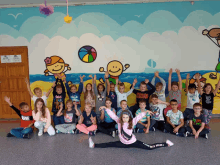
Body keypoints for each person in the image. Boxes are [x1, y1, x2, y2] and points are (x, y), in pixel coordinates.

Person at [88, 109, 174, 149]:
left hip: (133, 142)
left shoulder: (131, 122)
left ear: (129, 118)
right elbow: (113, 115)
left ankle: (166, 144)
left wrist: (145, 112)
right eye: (123, 117)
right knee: (109, 144)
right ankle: (93, 145)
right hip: (122, 143)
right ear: (122, 117)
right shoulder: (119, 121)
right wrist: (105, 109)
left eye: (126, 117)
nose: (125, 118)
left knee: (150, 147)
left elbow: (138, 116)